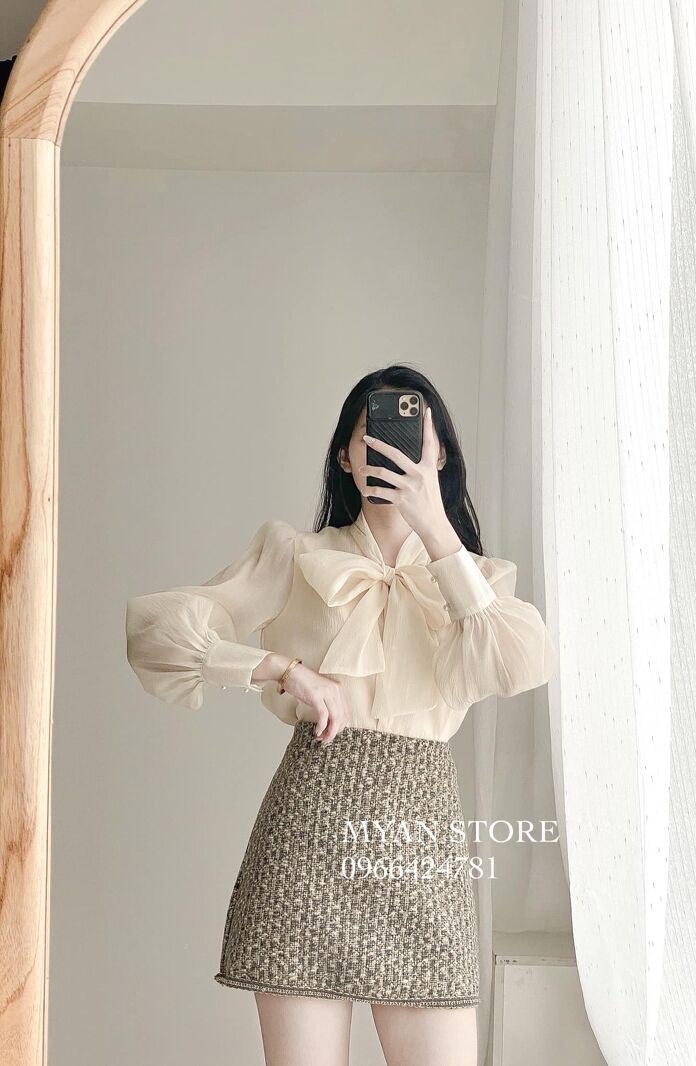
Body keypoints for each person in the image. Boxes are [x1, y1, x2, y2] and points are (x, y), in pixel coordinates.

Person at [125, 365, 558, 1066]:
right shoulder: (298, 556)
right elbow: (156, 633)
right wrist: (278, 668)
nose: (389, 450)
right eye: (370, 436)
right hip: (306, 846)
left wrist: (436, 530)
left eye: (413, 437)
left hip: (421, 848)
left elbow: (518, 666)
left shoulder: (478, 582)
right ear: (345, 456)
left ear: (439, 457)